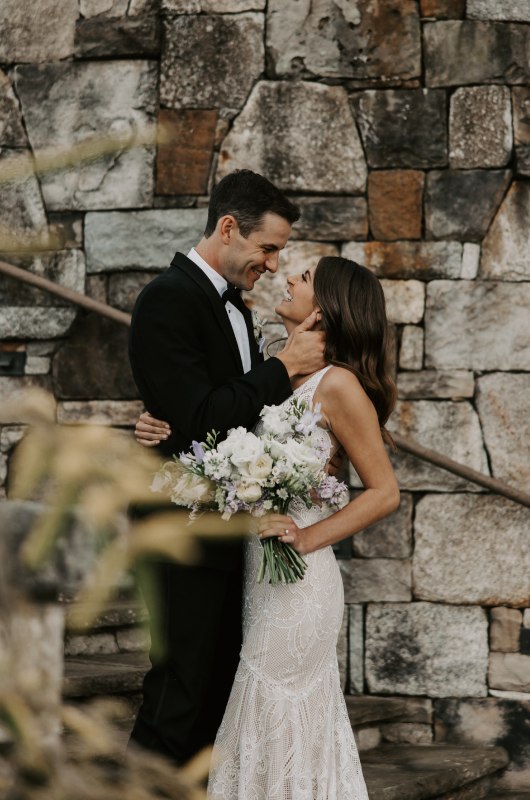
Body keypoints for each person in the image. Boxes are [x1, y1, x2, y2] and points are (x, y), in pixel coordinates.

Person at [137, 256, 400, 798]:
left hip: (299, 582)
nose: (287, 276)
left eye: (302, 278)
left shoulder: (339, 384)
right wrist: (155, 425)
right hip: (258, 577)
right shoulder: (273, 373)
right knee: (259, 720)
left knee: (273, 713)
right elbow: (214, 419)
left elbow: (384, 492)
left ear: (324, 309)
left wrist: (306, 537)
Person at [127, 169, 326, 766]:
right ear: (229, 227)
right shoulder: (168, 298)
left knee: (215, 693)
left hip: (227, 524)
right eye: (267, 249)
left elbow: (216, 411)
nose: (271, 265)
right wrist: (284, 365)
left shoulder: (237, 312)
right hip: (177, 525)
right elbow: (202, 415)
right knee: (178, 693)